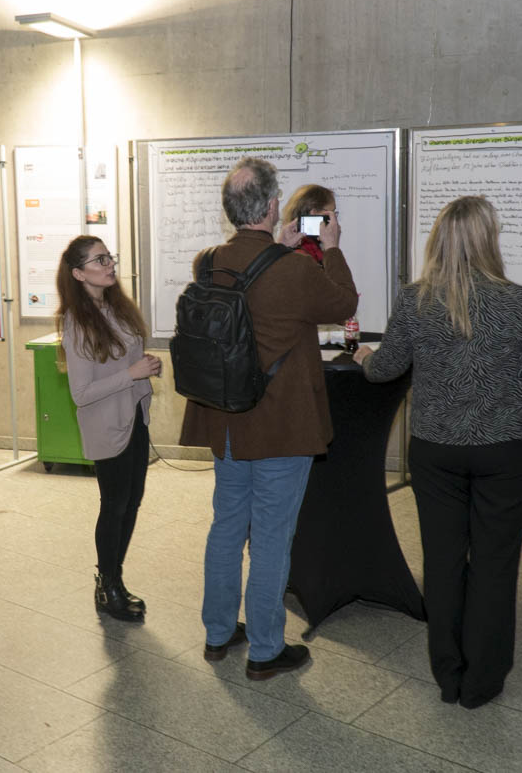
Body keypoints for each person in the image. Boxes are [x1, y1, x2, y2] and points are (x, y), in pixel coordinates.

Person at [356, 195, 522, 709]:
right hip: (507, 451)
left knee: (443, 561)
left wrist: (364, 358)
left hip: (437, 451)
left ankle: (448, 674)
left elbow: (385, 369)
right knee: (495, 563)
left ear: (438, 241)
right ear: (488, 239)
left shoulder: (414, 300)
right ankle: (482, 681)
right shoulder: (519, 300)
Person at [181, 157, 359, 680]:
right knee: (272, 538)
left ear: (230, 209)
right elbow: (343, 303)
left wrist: (277, 245)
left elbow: (252, 292)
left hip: (225, 422)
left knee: (227, 526)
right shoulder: (297, 269)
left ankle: (219, 633)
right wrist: (332, 247)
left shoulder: (207, 262)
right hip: (281, 427)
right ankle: (264, 649)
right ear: (274, 205)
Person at [55, 236, 161, 621]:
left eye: (109, 257)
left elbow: (124, 360)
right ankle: (108, 584)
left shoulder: (116, 307)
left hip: (133, 417)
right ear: (79, 273)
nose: (110, 264)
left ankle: (115, 578)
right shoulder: (76, 322)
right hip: (106, 424)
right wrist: (131, 373)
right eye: (99, 260)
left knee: (131, 501)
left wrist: (144, 366)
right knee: (114, 505)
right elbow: (81, 394)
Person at [281, 183, 337, 266]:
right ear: (314, 213)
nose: (334, 219)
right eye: (331, 213)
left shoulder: (312, 248)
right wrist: (332, 246)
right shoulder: (302, 256)